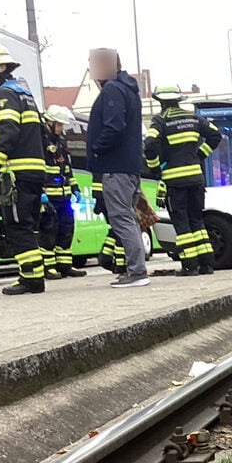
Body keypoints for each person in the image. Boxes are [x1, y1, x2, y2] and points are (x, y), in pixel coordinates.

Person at [0, 43, 46, 295]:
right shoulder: (23, 93)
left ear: (1, 67)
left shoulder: (4, 94)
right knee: (26, 224)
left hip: (18, 172)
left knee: (17, 225)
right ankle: (34, 277)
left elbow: (9, 131)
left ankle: (31, 279)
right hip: (33, 171)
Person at [86, 48, 149, 288]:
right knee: (128, 218)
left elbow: (114, 126)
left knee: (121, 218)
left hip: (115, 166)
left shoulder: (113, 89)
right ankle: (136, 270)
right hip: (129, 166)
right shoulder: (128, 90)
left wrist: (97, 149)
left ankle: (137, 272)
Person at [144, 84, 221, 276]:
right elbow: (215, 135)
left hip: (175, 181)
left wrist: (155, 168)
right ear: (178, 100)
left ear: (160, 101)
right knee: (197, 220)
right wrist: (199, 155)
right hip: (196, 178)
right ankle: (206, 264)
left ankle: (190, 265)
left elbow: (150, 145)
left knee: (181, 223)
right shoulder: (193, 118)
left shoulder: (160, 121)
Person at [41, 104, 86, 278]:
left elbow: (67, 169)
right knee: (49, 231)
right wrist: (41, 192)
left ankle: (65, 266)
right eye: (59, 124)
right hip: (50, 197)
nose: (61, 128)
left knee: (67, 230)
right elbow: (39, 170)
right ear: (50, 123)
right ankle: (48, 267)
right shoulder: (41, 142)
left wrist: (75, 188)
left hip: (65, 196)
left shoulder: (61, 143)